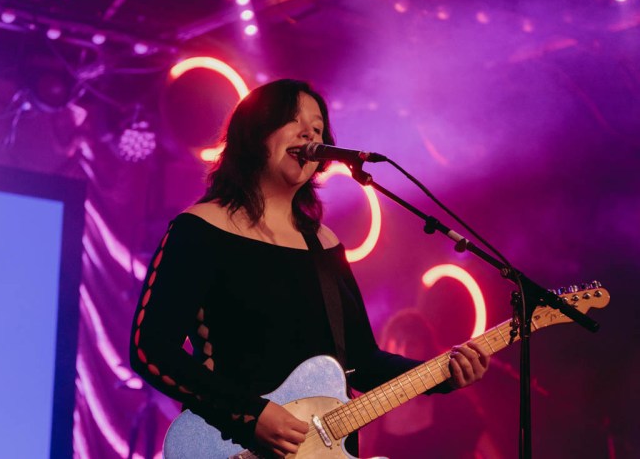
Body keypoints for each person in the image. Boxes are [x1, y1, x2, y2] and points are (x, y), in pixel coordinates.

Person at [129, 78, 489, 457]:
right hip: (232, 446)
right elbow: (151, 349)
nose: (309, 134)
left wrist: (442, 375)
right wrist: (250, 414)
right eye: (294, 120)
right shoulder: (201, 229)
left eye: (318, 129)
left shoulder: (324, 245)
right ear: (254, 132)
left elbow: (362, 362)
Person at [361, 309, 503, 459]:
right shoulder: (372, 410)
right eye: (398, 342)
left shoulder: (453, 404)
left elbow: (491, 454)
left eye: (412, 344)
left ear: (426, 350)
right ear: (386, 349)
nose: (404, 352)